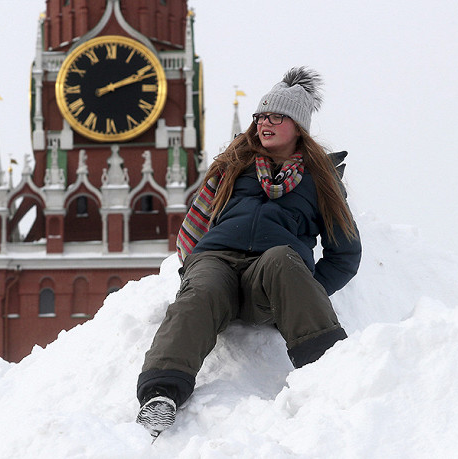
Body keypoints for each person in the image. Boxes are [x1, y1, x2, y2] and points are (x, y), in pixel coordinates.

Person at [135, 67, 362, 438]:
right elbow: (197, 225)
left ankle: (330, 374)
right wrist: (195, 265)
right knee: (202, 289)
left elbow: (346, 253)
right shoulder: (233, 168)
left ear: (298, 126)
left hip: (270, 279)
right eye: (261, 116)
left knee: (282, 259)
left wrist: (304, 289)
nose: (264, 124)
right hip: (217, 261)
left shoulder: (321, 182)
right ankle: (161, 395)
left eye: (276, 116)